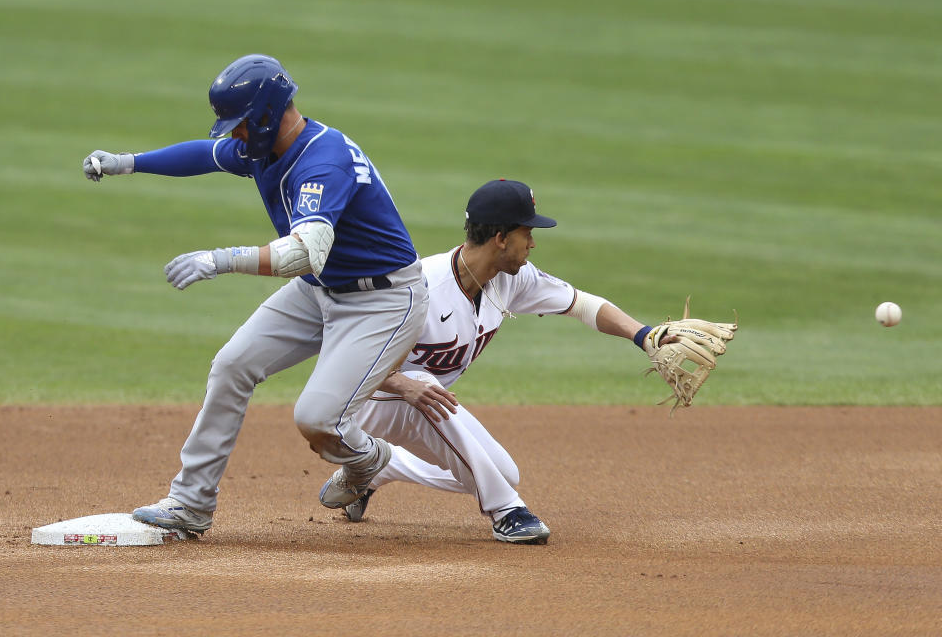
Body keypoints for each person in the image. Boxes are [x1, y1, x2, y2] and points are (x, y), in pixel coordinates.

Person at [82, 54, 428, 534]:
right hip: (320, 291)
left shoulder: (322, 162)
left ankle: (371, 459)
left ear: (268, 112)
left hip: (383, 301)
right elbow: (205, 155)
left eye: (240, 123)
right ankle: (191, 503)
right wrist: (129, 163)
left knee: (318, 419)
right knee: (232, 364)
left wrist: (219, 259)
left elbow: (305, 254)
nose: (234, 134)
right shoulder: (261, 147)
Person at [321, 178, 674, 545]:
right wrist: (402, 383)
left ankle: (378, 466)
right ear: (501, 238)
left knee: (504, 471)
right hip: (364, 406)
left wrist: (644, 335)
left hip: (423, 406)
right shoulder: (419, 286)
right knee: (427, 386)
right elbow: (345, 354)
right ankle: (506, 511)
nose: (533, 243)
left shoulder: (512, 280)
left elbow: (582, 304)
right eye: (527, 232)